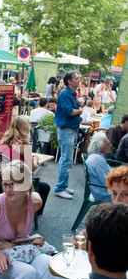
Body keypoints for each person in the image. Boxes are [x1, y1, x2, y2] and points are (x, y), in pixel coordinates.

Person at [0, 115, 51, 215]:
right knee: (45, 187)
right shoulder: (24, 144)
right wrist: (35, 159)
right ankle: (33, 214)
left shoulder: (2, 141)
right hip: (16, 185)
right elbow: (31, 169)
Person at [53, 70, 82, 199]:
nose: (78, 80)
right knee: (66, 160)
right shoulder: (65, 93)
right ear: (69, 81)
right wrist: (80, 110)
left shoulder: (71, 93)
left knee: (66, 160)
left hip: (70, 130)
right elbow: (69, 111)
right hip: (66, 130)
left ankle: (63, 185)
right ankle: (60, 188)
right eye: (76, 78)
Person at [85, 131, 112, 202]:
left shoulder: (97, 157)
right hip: (104, 194)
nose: (110, 146)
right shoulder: (97, 159)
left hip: (102, 191)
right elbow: (107, 182)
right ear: (101, 147)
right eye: (108, 144)